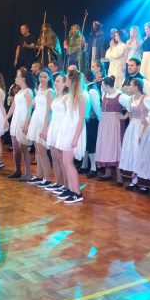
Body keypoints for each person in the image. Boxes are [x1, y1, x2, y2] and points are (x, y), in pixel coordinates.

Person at [53, 70, 87, 204]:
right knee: (65, 162)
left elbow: (81, 119)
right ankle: (71, 189)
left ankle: (77, 193)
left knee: (68, 163)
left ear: (72, 81)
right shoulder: (70, 96)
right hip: (67, 130)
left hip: (73, 132)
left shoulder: (80, 97)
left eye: (67, 79)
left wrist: (75, 137)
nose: (65, 81)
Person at [119, 78, 150, 183]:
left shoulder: (147, 99)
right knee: (132, 151)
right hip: (133, 126)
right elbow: (130, 114)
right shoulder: (130, 99)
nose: (128, 87)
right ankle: (134, 179)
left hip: (142, 127)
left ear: (137, 87)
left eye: (131, 85)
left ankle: (141, 179)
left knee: (139, 151)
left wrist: (146, 127)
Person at [95, 76, 126, 181]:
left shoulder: (120, 96)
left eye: (103, 85)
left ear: (107, 86)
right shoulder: (105, 94)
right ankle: (107, 173)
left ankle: (119, 177)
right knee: (106, 147)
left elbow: (131, 107)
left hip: (114, 124)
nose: (102, 87)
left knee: (116, 148)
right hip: (104, 124)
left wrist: (124, 116)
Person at [6, 68, 36, 180]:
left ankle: (28, 173)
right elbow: (13, 107)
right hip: (16, 120)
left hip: (23, 120)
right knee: (15, 147)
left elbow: (29, 109)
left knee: (23, 146)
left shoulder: (28, 92)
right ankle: (17, 170)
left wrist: (26, 123)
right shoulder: (19, 92)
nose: (16, 78)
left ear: (23, 79)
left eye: (18, 76)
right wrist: (5, 118)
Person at [27, 69, 55, 184]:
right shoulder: (39, 89)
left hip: (43, 120)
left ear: (49, 78)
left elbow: (49, 110)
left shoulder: (50, 91)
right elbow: (34, 104)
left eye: (44, 77)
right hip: (36, 119)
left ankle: (48, 179)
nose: (42, 79)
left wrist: (45, 126)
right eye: (40, 77)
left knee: (42, 151)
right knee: (38, 151)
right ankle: (39, 175)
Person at [43, 73, 68, 194]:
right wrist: (47, 127)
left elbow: (68, 116)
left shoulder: (67, 97)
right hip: (54, 126)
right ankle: (58, 182)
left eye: (58, 81)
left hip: (61, 128)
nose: (55, 83)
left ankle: (66, 185)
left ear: (64, 83)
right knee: (54, 157)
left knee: (62, 159)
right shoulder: (57, 97)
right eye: (55, 81)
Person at [81, 67, 102, 178]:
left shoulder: (92, 90)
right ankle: (84, 165)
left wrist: (99, 119)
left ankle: (93, 168)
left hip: (92, 121)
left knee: (91, 143)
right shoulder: (87, 88)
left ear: (85, 78)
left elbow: (97, 107)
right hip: (87, 120)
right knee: (86, 142)